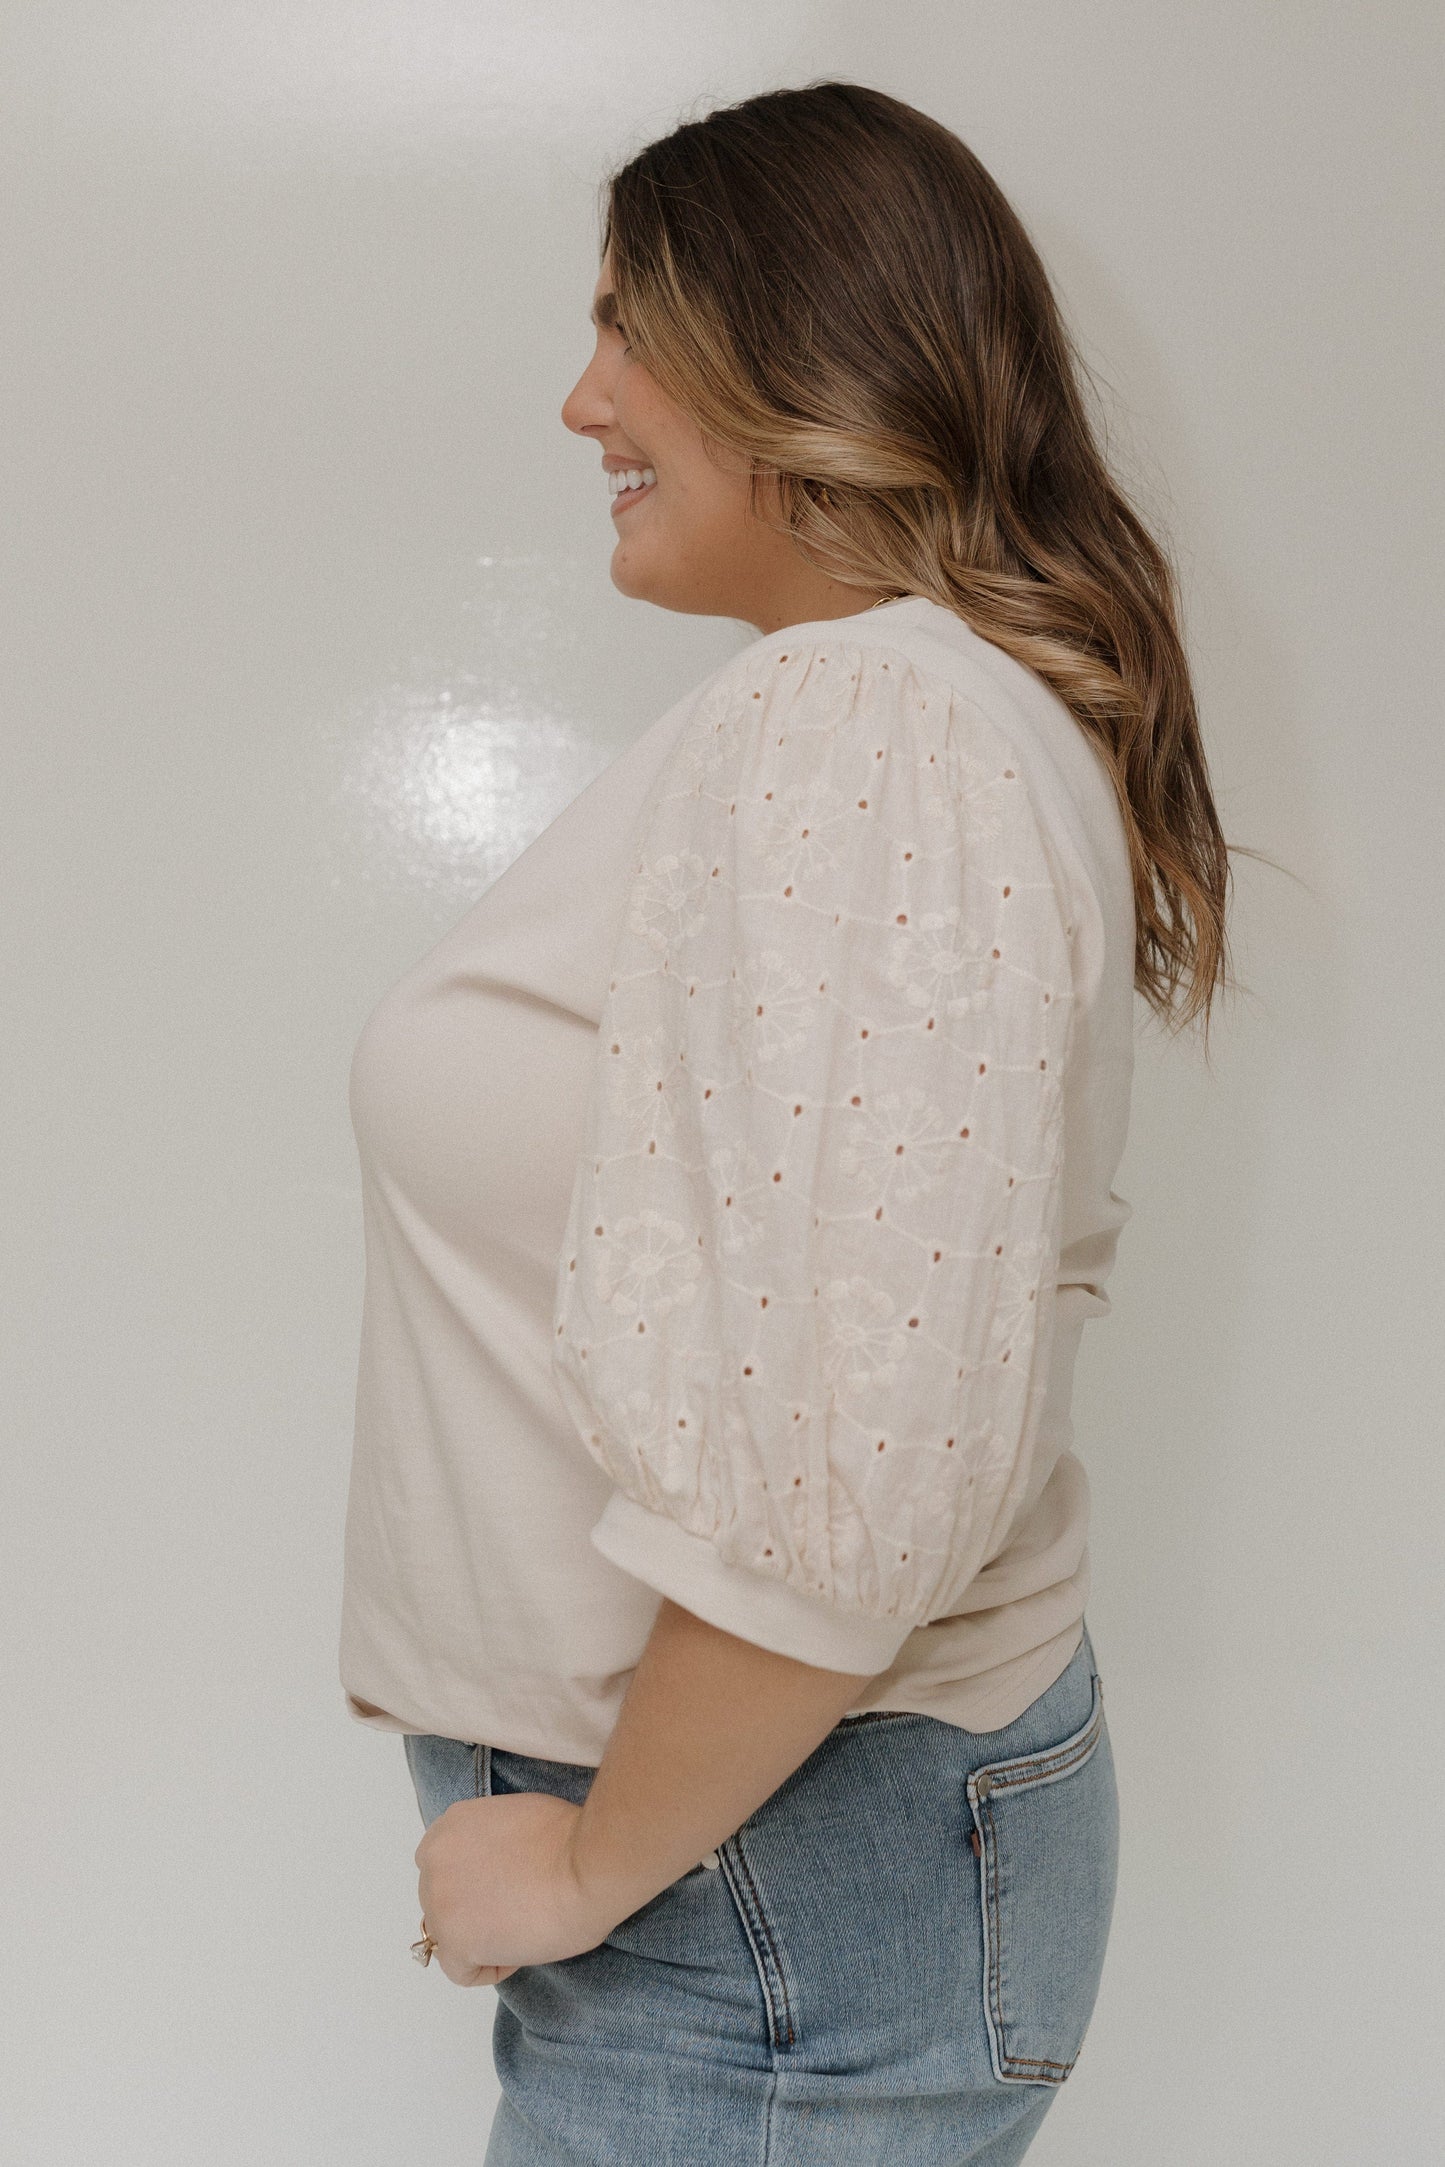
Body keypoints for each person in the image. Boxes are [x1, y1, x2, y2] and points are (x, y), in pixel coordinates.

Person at [337, 80, 1234, 2167]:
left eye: (629, 325)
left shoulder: (882, 718)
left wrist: (581, 1869)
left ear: (798, 351)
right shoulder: (893, 714)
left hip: (752, 1884)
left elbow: (845, 1462)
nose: (583, 402)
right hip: (761, 1876)